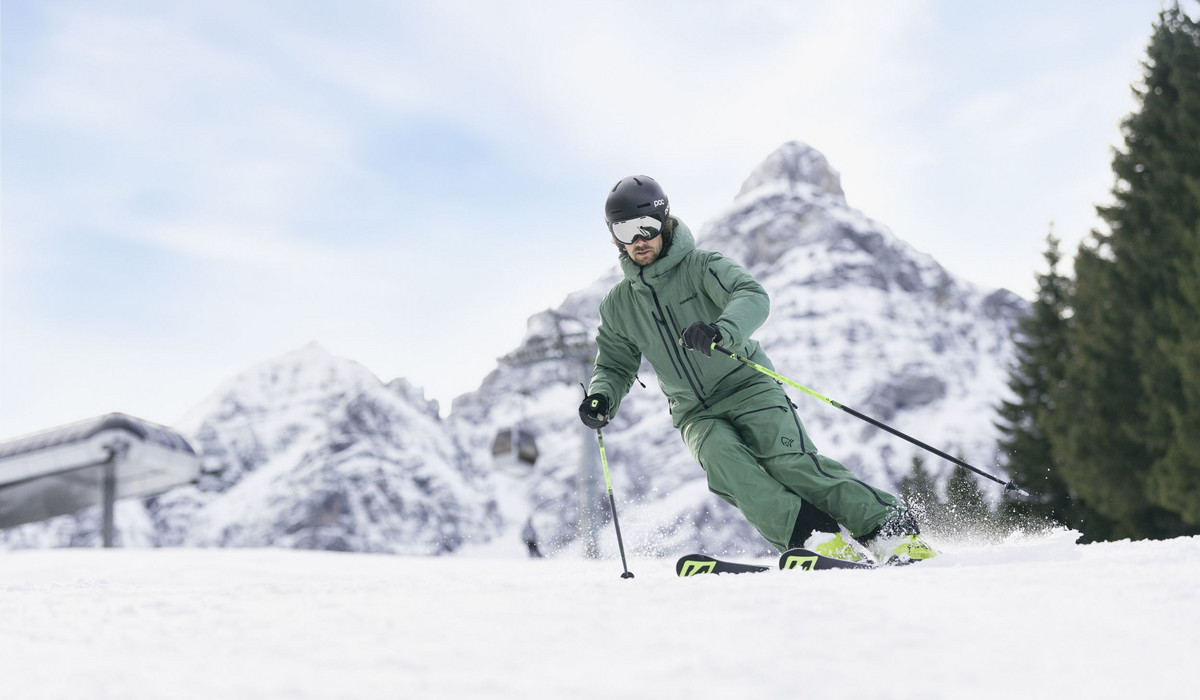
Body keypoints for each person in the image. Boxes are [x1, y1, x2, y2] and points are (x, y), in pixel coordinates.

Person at [578, 175, 936, 564]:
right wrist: (602, 396)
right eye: (626, 231)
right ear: (614, 236)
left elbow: (751, 294)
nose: (639, 240)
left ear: (664, 223)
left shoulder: (702, 266)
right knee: (730, 469)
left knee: (790, 463)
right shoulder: (618, 305)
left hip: (749, 386)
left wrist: (722, 331)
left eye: (646, 227)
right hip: (694, 412)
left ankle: (891, 530)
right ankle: (817, 539)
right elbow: (615, 362)